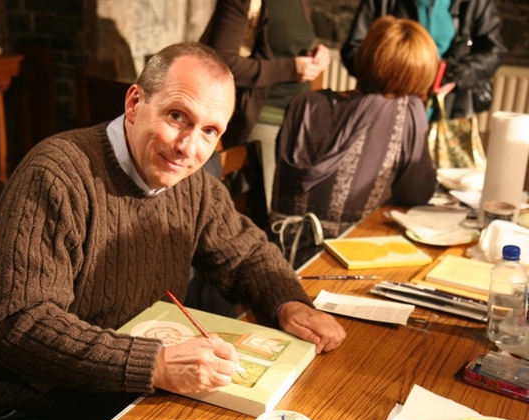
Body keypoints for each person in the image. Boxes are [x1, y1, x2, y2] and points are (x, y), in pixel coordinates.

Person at [0, 42, 346, 420]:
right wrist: (157, 364)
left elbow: (245, 253)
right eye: (177, 117)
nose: (189, 147)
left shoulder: (193, 184)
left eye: (209, 131)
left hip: (114, 395)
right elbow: (22, 326)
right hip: (12, 405)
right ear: (135, 103)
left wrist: (287, 301)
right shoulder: (56, 174)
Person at [270, 16, 439, 266]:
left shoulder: (303, 104)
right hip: (347, 257)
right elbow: (416, 194)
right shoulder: (406, 111)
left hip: (278, 254)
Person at [201, 0, 330, 213]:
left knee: (301, 210)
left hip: (300, 121)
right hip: (265, 120)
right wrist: (289, 69)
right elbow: (221, 62)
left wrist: (317, 52)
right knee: (270, 213)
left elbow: (286, 47)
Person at [340, 0, 506, 119]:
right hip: (387, 107)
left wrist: (455, 74)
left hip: (449, 109)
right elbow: (353, 49)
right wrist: (397, 76)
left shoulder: (476, 3)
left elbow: (494, 51)